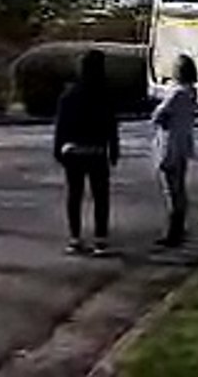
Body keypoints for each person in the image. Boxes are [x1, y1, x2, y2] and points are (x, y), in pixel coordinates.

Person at [54, 50, 120, 256]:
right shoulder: (105, 94)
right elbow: (111, 125)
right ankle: (100, 239)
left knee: (75, 195)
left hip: (73, 149)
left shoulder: (69, 94)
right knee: (101, 196)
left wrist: (58, 149)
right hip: (97, 150)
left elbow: (61, 125)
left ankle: (75, 238)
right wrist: (114, 149)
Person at [149, 55, 198, 248]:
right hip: (183, 144)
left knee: (171, 190)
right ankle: (179, 227)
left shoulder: (176, 93)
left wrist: (160, 117)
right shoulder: (191, 93)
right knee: (179, 189)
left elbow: (158, 115)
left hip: (169, 146)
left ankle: (173, 232)